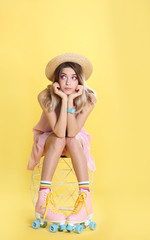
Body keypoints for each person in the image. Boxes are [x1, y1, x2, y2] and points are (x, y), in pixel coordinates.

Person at [27, 52, 97, 230]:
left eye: (73, 78)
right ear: (56, 80)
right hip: (52, 139)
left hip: (75, 142)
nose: (68, 83)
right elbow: (59, 131)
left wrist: (71, 100)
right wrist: (64, 100)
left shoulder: (88, 98)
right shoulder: (45, 95)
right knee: (60, 140)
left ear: (79, 81)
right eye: (63, 77)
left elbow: (72, 132)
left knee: (71, 140)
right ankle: (43, 200)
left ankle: (84, 200)